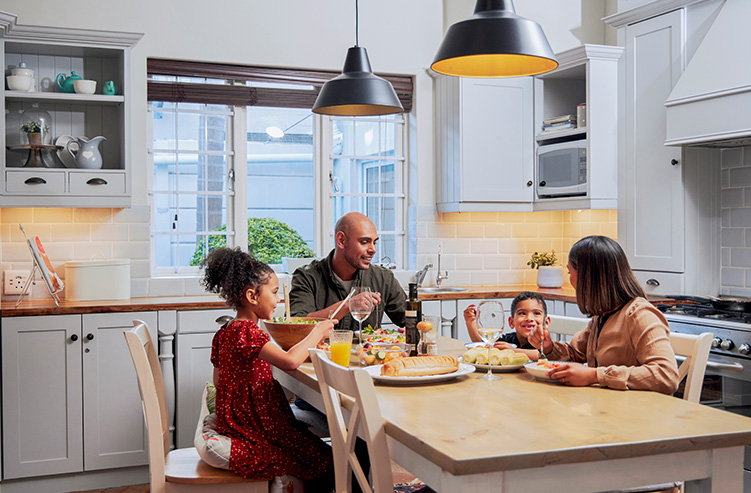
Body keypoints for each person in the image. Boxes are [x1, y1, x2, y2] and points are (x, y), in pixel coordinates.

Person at [200, 247, 337, 488]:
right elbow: (291, 361)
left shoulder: (227, 330)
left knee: (315, 449)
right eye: (274, 293)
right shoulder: (246, 331)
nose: (278, 300)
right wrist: (317, 331)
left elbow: (219, 381)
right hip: (256, 425)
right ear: (253, 296)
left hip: (246, 420)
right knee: (324, 458)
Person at [528, 235, 680, 394]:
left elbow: (666, 375)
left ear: (587, 277)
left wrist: (595, 375)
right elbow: (575, 353)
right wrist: (548, 346)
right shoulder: (603, 315)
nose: (570, 279)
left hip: (637, 413)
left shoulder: (640, 315)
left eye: (569, 272)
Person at [290, 211, 406, 331]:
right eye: (364, 242)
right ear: (341, 240)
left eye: (374, 242)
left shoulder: (383, 278)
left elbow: (413, 320)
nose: (373, 250)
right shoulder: (306, 277)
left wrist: (412, 331)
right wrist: (348, 305)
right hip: (321, 350)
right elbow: (296, 326)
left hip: (370, 350)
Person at [464, 292, 550, 361]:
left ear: (546, 322)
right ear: (511, 322)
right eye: (522, 313)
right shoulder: (510, 340)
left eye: (536, 313)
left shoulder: (546, 343)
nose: (529, 318)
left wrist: (514, 351)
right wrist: (470, 322)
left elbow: (543, 355)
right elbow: (485, 344)